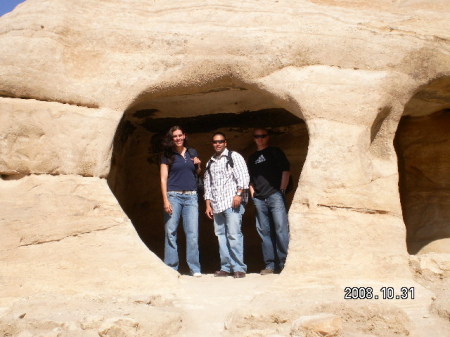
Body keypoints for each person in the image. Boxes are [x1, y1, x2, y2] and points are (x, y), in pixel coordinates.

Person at [204, 132, 250, 278]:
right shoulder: (210, 162)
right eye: (215, 142)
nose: (217, 144)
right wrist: (208, 205)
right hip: (217, 205)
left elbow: (243, 176)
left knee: (234, 235)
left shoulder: (233, 156)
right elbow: (207, 185)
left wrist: (238, 194)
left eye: (220, 141)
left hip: (232, 202)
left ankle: (239, 268)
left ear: (225, 143)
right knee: (221, 236)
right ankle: (226, 267)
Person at [160, 126, 202, 277]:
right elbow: (163, 178)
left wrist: (198, 165)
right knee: (170, 231)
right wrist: (165, 200)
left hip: (191, 196)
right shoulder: (167, 155)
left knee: (192, 233)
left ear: (184, 136)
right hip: (174, 196)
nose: (177, 138)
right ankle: (171, 266)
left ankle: (195, 268)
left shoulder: (192, 152)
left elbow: (196, 173)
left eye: (179, 135)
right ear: (172, 139)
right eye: (174, 136)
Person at [248, 128, 290, 275]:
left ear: (268, 137)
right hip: (259, 198)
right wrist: (252, 193)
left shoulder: (275, 152)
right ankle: (270, 265)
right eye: (257, 136)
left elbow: (285, 170)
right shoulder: (252, 157)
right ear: (254, 138)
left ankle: (284, 263)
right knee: (265, 232)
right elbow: (250, 179)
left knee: (280, 229)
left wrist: (282, 190)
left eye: (262, 136)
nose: (260, 139)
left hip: (274, 195)